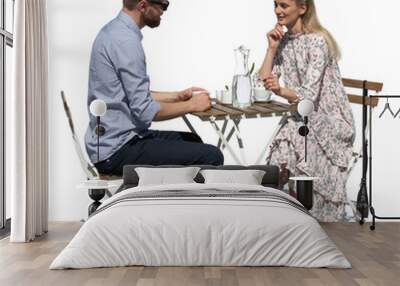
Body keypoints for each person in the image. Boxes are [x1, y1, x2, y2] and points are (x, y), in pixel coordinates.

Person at [85, 0, 224, 176]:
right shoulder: (125, 42)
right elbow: (145, 111)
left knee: (194, 141)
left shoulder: (114, 31)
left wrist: (176, 96)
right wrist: (192, 105)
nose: (164, 11)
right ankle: (173, 203)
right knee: (212, 156)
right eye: (162, 5)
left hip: (109, 141)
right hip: (116, 150)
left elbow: (131, 94)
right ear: (143, 6)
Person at [258, 0, 356, 222]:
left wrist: (281, 90)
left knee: (291, 133)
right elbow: (262, 80)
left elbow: (308, 96)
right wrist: (271, 48)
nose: (278, 11)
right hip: (303, 117)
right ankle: (285, 211)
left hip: (331, 121)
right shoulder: (284, 41)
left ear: (302, 8)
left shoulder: (317, 42)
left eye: (283, 5)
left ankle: (304, 212)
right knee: (289, 134)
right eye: (275, 4)